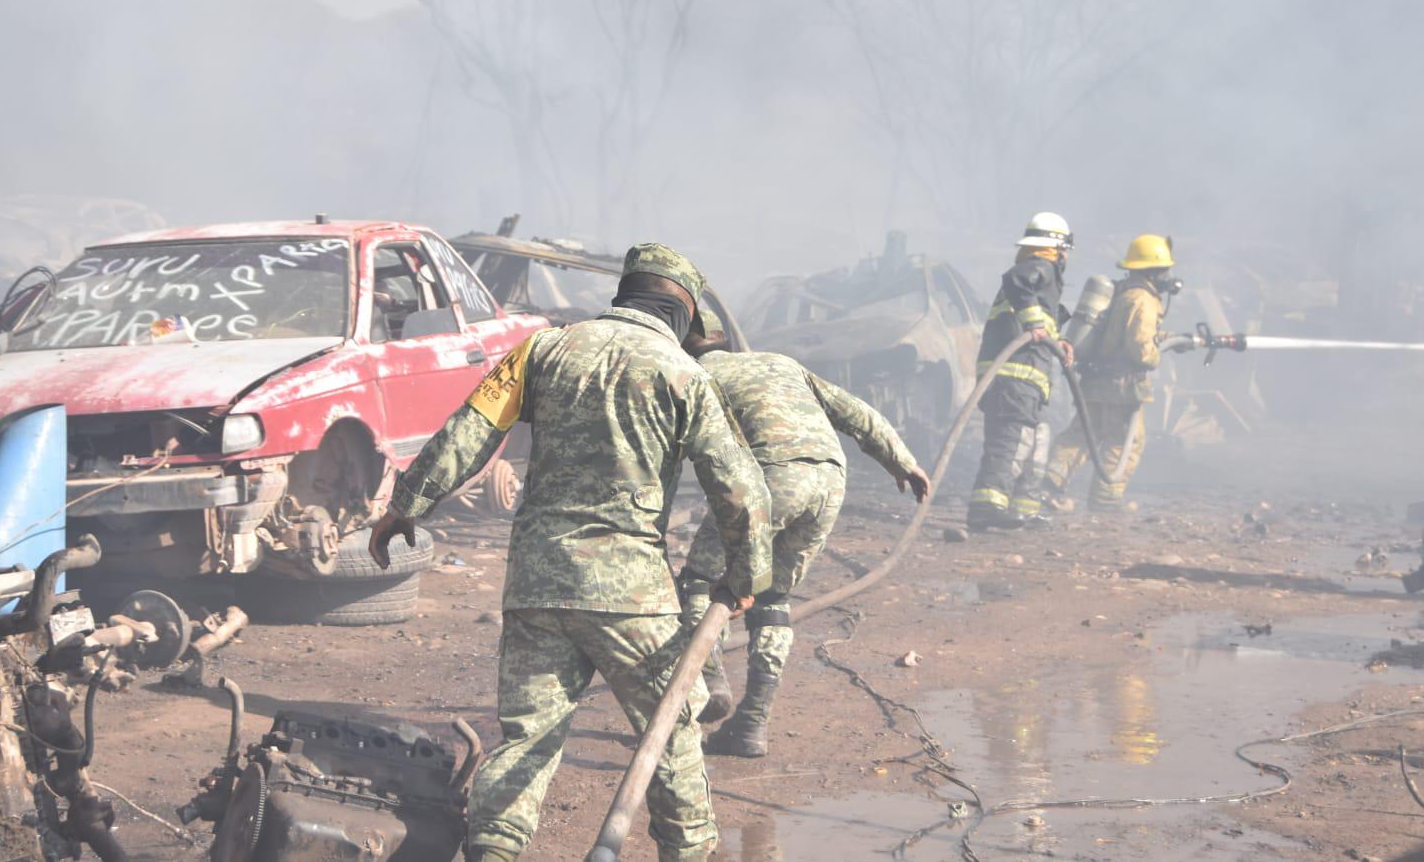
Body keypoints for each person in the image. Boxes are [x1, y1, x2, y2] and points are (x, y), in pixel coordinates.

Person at [368, 243, 772, 862]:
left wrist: (407, 504)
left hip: (536, 581)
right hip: (630, 594)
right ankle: (688, 853)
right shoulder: (685, 373)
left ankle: (493, 852)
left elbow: (470, 428)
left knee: (527, 737)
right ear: (682, 313)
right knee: (668, 735)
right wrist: (747, 576)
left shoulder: (543, 348)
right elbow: (741, 488)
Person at [676, 335, 931, 758]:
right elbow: (853, 411)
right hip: (828, 481)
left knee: (700, 580)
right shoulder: (780, 363)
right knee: (773, 596)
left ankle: (709, 679)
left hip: (771, 478)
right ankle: (752, 723)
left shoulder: (695, 372)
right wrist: (901, 460)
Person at [1042, 234, 1177, 512]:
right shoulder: (1144, 299)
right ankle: (1105, 501)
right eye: (1165, 269)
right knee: (1125, 441)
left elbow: (1123, 332)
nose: (1168, 276)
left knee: (1080, 436)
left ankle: (1046, 487)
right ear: (1154, 270)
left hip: (1096, 381)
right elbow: (1140, 349)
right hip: (1122, 388)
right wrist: (1156, 355)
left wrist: (1169, 337)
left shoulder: (1124, 292)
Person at [967, 213, 1075, 531]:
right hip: (1014, 376)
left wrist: (1059, 340)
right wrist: (1034, 322)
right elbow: (1015, 281)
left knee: (1032, 440)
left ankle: (1023, 508)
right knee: (1009, 441)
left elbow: (1040, 322)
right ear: (1058, 246)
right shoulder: (1039, 266)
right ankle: (986, 506)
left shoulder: (1040, 280)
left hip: (1025, 378)